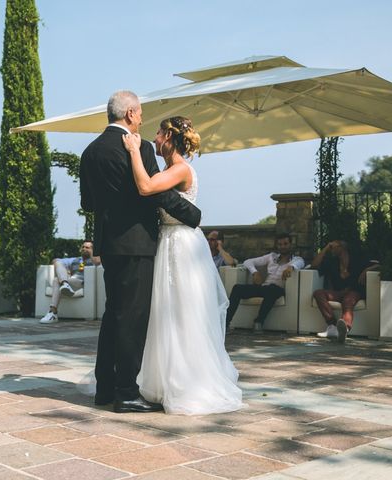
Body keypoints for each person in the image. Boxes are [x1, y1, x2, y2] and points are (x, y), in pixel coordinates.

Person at [80, 91, 201, 414]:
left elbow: (87, 204)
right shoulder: (140, 146)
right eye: (141, 113)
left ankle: (104, 388)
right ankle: (127, 392)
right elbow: (152, 194)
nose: (143, 120)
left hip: (110, 245)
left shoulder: (90, 152)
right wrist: (192, 214)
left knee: (112, 315)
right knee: (132, 319)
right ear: (131, 114)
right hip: (138, 244)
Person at [122, 116, 244, 415]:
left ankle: (187, 383)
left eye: (160, 133)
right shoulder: (170, 169)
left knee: (181, 313)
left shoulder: (180, 170)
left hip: (181, 246)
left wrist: (133, 150)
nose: (155, 137)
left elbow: (146, 186)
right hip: (168, 242)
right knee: (164, 314)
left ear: (171, 138)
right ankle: (162, 382)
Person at [226, 234, 305, 331]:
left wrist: (290, 267)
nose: (283, 246)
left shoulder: (296, 260)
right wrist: (255, 272)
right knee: (237, 288)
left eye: (285, 244)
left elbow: (299, 264)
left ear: (290, 244)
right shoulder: (271, 257)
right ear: (277, 246)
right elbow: (248, 262)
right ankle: (226, 322)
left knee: (272, 289)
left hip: (278, 289)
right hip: (264, 287)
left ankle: (258, 322)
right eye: (280, 244)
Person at [311, 240, 379, 344]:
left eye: (332, 246)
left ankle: (345, 328)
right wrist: (325, 248)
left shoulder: (357, 259)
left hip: (355, 292)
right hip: (338, 293)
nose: (331, 249)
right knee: (318, 293)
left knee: (348, 300)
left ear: (341, 247)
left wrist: (367, 270)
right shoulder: (332, 262)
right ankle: (332, 326)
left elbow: (379, 265)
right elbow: (314, 265)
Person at [39, 241, 101, 324]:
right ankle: (53, 310)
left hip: (82, 283)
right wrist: (65, 271)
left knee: (57, 280)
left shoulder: (94, 259)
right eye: (83, 247)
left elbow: (98, 262)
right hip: (71, 281)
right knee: (57, 272)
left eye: (87, 248)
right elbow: (55, 260)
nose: (84, 249)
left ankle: (53, 312)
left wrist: (92, 253)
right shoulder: (75, 260)